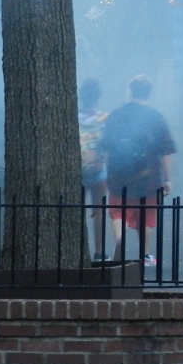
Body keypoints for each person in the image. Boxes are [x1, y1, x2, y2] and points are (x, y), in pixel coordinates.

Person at [100, 76, 176, 265]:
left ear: (130, 90)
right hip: (148, 177)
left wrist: (109, 172)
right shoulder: (156, 117)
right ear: (149, 93)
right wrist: (168, 179)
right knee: (147, 214)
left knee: (118, 211)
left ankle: (120, 240)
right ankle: (144, 256)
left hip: (118, 175)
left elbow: (106, 147)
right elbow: (166, 150)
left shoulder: (115, 115)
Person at [78, 79, 111, 262]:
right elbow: (107, 145)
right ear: (98, 97)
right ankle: (99, 252)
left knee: (76, 210)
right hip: (98, 170)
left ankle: (77, 249)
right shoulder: (104, 118)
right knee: (98, 212)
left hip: (77, 169)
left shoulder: (72, 116)